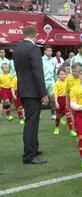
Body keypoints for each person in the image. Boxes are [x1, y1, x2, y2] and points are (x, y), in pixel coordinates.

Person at [13, 26, 49, 164]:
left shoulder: (17, 49)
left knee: (31, 121)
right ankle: (29, 155)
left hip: (23, 89)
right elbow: (38, 73)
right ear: (36, 35)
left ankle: (33, 148)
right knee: (32, 123)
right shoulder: (33, 49)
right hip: (32, 91)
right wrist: (43, 93)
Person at [53, 67, 77, 136]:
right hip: (59, 100)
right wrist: (56, 102)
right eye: (61, 74)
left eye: (64, 74)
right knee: (58, 116)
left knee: (68, 115)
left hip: (66, 100)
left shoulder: (68, 80)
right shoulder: (56, 84)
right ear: (58, 76)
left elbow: (72, 75)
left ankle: (71, 130)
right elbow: (55, 94)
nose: (63, 76)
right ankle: (56, 128)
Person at [42, 45, 56, 120]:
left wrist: (56, 81)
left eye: (50, 51)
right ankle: (38, 113)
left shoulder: (54, 60)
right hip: (43, 81)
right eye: (48, 50)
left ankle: (53, 114)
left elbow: (54, 72)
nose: (49, 52)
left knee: (52, 98)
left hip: (51, 81)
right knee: (40, 98)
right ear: (44, 52)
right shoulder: (41, 60)